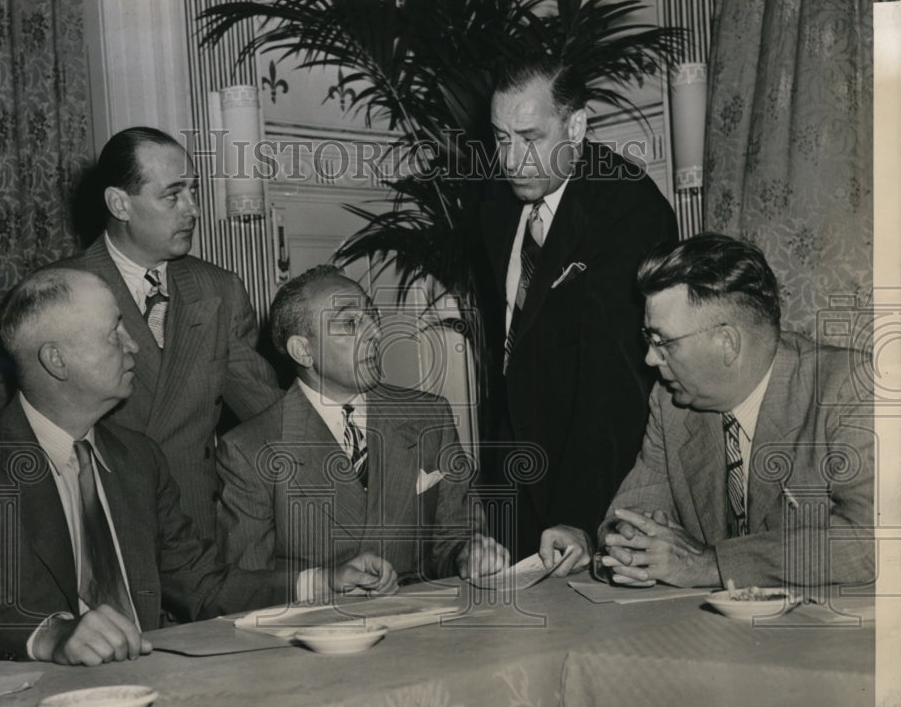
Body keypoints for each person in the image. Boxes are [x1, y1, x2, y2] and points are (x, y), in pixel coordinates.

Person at [0, 268, 395, 669]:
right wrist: (51, 635)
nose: (133, 346)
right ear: (56, 360)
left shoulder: (138, 459)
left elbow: (204, 585)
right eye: (114, 334)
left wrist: (321, 581)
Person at [0, 127, 282, 538]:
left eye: (194, 191)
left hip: (195, 536)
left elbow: (269, 417)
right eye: (173, 195)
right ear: (120, 204)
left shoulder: (219, 290)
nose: (193, 209)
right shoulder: (51, 291)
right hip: (96, 537)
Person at [542, 234, 875, 587]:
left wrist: (710, 564)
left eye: (663, 342)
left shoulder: (851, 389)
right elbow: (630, 514)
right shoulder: (671, 404)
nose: (650, 358)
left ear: (727, 344)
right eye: (648, 339)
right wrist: (629, 548)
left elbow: (873, 541)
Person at [481, 54, 679, 562]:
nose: (511, 159)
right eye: (501, 138)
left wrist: (575, 515)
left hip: (590, 477)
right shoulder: (496, 201)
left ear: (576, 125)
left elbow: (614, 383)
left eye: (529, 137)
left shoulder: (629, 208)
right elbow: (507, 354)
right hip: (513, 470)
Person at [216, 265, 509, 583]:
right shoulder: (249, 449)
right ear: (303, 351)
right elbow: (246, 585)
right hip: (321, 627)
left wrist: (468, 553)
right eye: (350, 322)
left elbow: (455, 535)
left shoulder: (429, 415)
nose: (376, 333)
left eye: (372, 315)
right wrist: (325, 581)